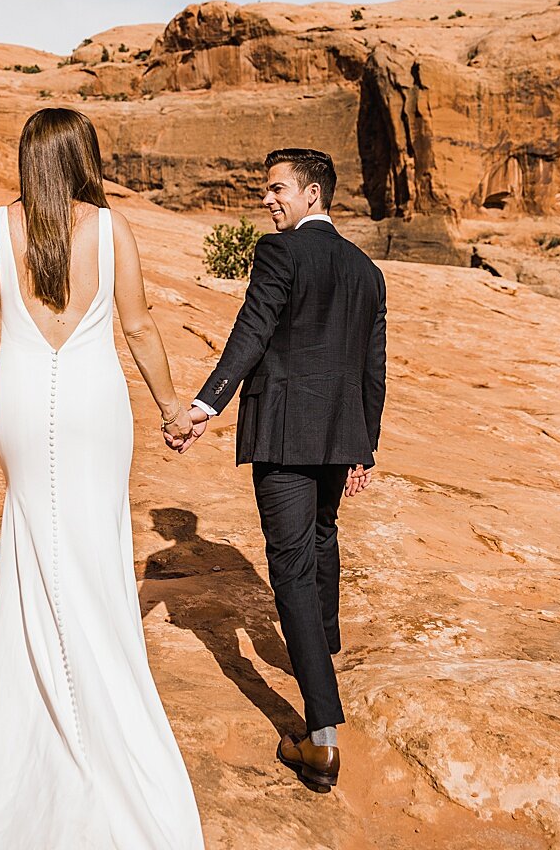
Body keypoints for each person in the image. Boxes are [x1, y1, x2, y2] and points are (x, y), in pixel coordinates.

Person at [0, 108, 204, 849]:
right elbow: (137, 327)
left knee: (36, 535)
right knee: (93, 547)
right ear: (82, 157)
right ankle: (99, 703)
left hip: (23, 400)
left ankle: (41, 703)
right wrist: (171, 409)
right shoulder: (110, 227)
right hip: (96, 404)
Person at [170, 147, 386, 794]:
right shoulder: (365, 269)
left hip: (287, 434)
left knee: (290, 567)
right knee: (322, 538)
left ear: (312, 195)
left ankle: (319, 740)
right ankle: (325, 649)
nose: (268, 200)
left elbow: (252, 330)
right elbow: (372, 367)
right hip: (337, 435)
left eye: (277, 190)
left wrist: (207, 404)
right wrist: (363, 446)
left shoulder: (281, 254)